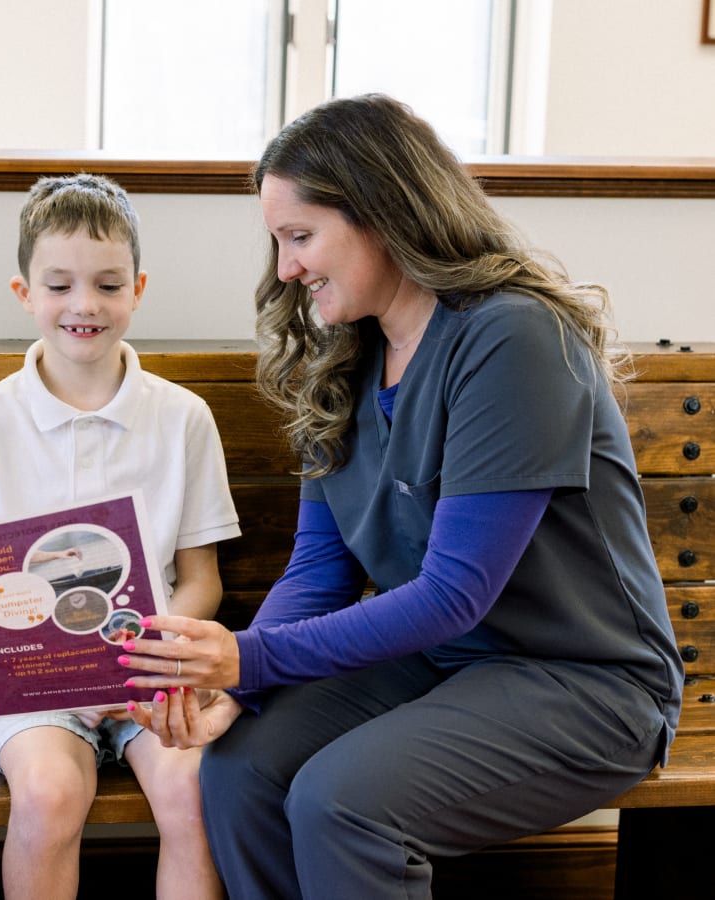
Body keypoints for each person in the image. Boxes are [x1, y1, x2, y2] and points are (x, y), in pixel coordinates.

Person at [117, 94, 683, 899]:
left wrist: (249, 654)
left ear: (382, 212)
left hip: (586, 685)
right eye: (279, 241)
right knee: (240, 771)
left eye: (300, 237)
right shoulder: (346, 358)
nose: (285, 268)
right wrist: (235, 686)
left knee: (345, 803)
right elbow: (319, 571)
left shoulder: (512, 337)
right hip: (445, 664)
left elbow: (455, 594)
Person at [0, 173, 239, 900]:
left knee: (196, 791)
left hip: (150, 671)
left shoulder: (184, 416)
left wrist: (147, 658)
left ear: (137, 288)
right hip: (31, 679)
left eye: (107, 285)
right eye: (60, 284)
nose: (84, 306)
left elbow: (203, 577)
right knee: (49, 795)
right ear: (25, 293)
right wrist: (46, 670)